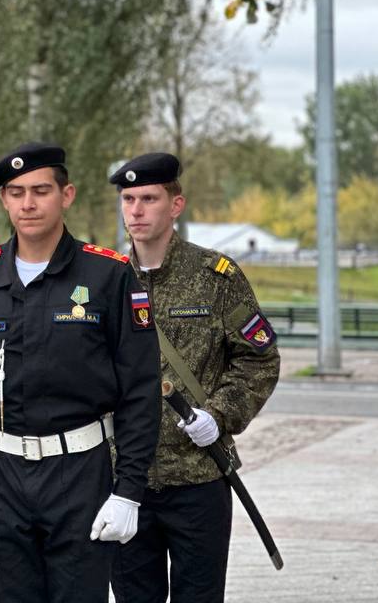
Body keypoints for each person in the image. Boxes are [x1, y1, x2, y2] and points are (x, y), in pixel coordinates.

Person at [0, 142, 161, 603]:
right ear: (4, 200)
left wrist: (128, 492)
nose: (28, 204)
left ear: (66, 195)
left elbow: (140, 390)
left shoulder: (108, 274)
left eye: (41, 191)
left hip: (79, 472)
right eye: (16, 193)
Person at [108, 152, 280, 603]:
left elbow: (259, 358)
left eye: (149, 198)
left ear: (176, 205)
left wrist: (219, 415)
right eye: (128, 199)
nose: (136, 210)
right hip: (124, 480)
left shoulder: (216, 277)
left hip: (199, 477)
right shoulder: (106, 279)